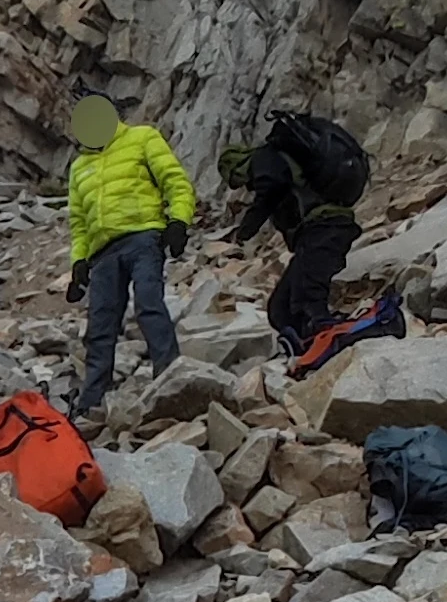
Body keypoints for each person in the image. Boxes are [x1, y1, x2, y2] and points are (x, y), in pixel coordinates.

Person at [64, 87, 196, 418]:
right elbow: (79, 223)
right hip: (102, 254)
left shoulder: (142, 138)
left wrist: (179, 220)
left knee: (149, 303)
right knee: (100, 324)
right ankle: (92, 401)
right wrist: (78, 262)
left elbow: (175, 181)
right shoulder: (79, 167)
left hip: (143, 237)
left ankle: (168, 375)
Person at [217, 141, 362, 344]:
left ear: (235, 166)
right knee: (280, 309)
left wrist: (245, 230)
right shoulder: (276, 160)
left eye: (236, 177)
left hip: (326, 227)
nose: (244, 184)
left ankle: (330, 335)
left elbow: (271, 188)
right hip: (314, 233)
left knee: (309, 296)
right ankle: (308, 343)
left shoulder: (265, 158)